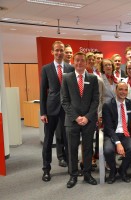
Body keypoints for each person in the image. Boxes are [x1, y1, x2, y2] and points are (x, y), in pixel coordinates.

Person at [61, 52, 99, 188]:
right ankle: (73, 175)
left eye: (82, 60)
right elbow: (64, 101)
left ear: (85, 62)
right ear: (73, 61)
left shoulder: (93, 78)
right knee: (72, 148)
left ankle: (87, 174)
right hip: (72, 120)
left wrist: (87, 117)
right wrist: (76, 117)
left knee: (88, 148)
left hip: (88, 121)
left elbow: (95, 101)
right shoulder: (67, 78)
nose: (79, 63)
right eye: (77, 60)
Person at [40, 41, 74, 182]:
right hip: (51, 109)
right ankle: (46, 169)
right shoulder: (46, 69)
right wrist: (43, 112)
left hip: (66, 110)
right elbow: (43, 91)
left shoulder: (70, 68)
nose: (59, 53)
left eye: (61, 50)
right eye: (57, 50)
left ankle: (72, 169)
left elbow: (73, 92)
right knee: (48, 141)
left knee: (68, 140)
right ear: (52, 52)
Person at [103, 82, 131, 184]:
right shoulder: (108, 105)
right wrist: (118, 143)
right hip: (112, 134)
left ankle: (122, 170)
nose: (123, 92)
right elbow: (108, 128)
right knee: (108, 150)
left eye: (125, 90)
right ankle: (113, 171)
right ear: (116, 90)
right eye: (120, 89)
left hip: (125, 134)